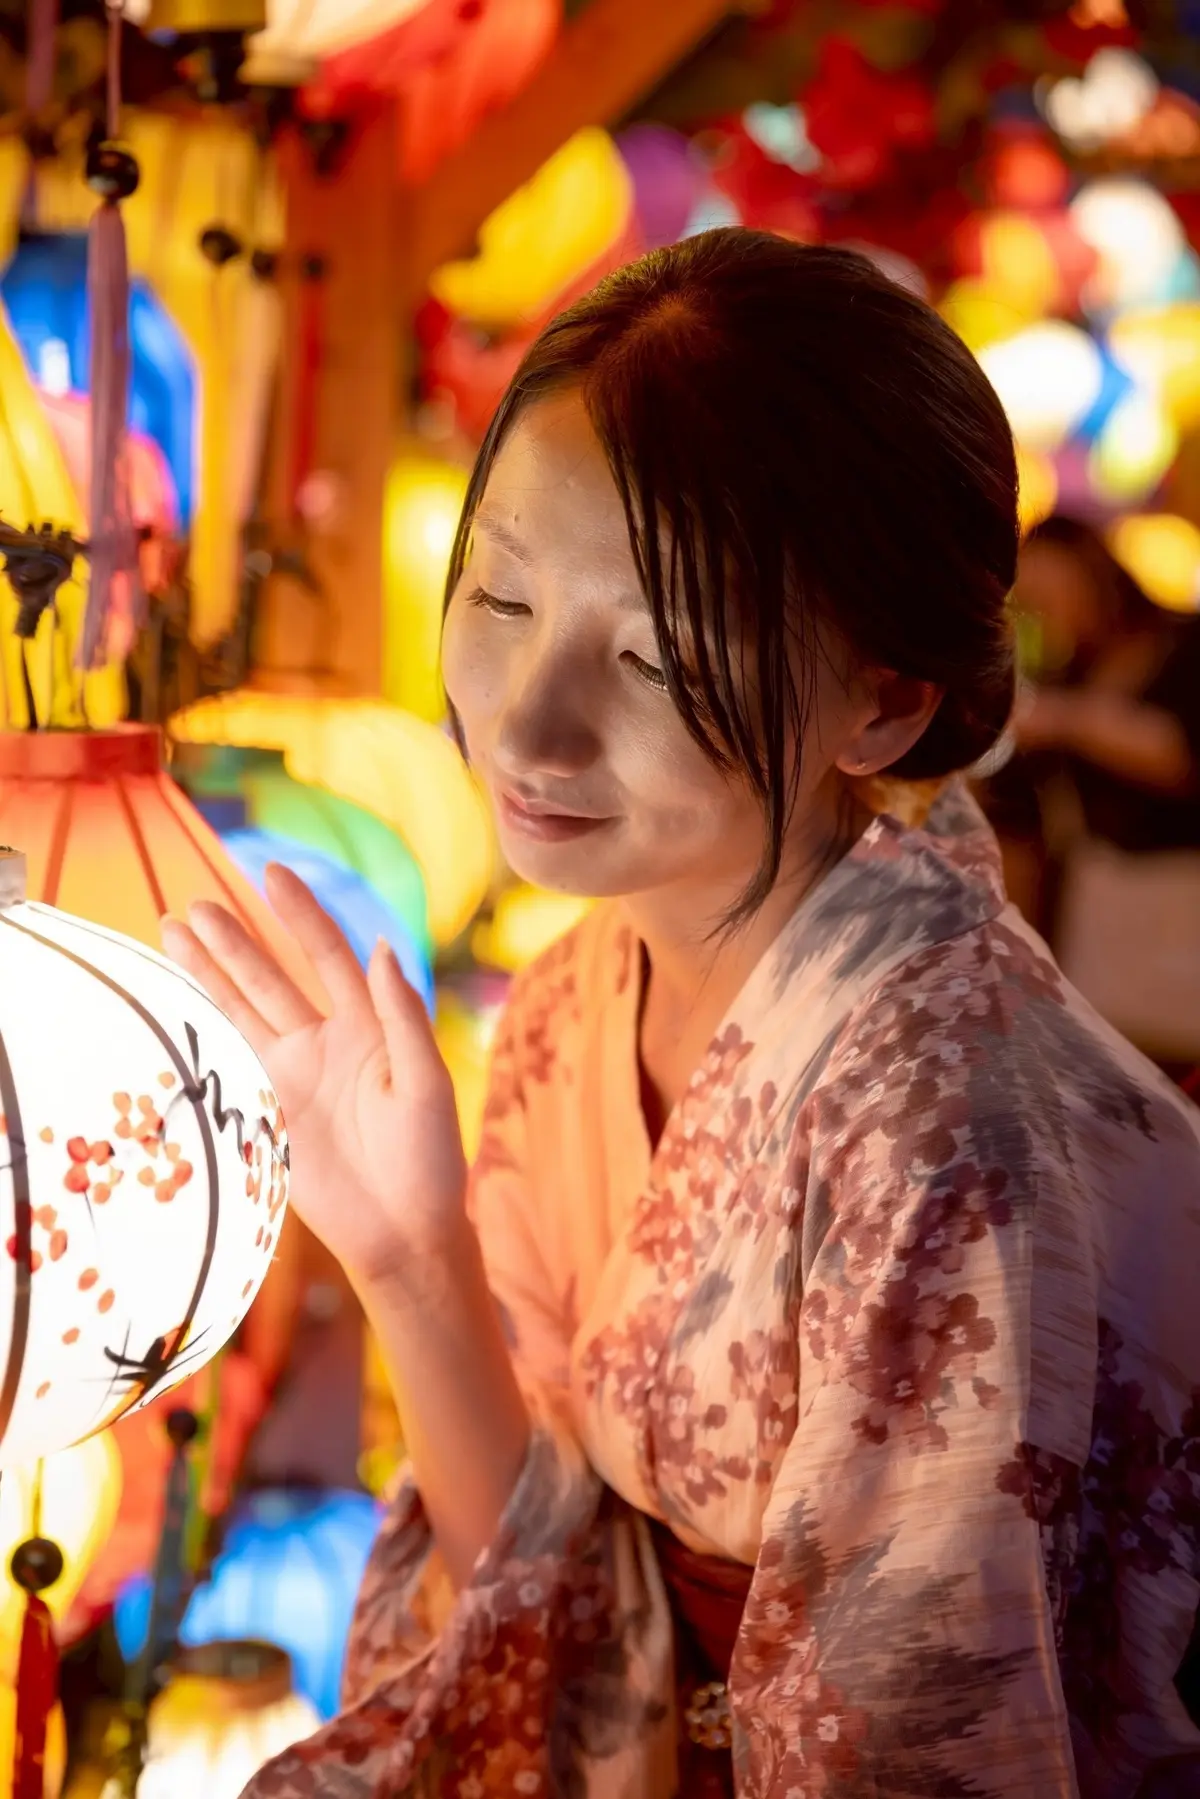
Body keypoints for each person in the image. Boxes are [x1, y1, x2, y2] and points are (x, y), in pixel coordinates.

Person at [162, 231, 1200, 1799]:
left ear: (887, 696)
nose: (523, 719)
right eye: (502, 591)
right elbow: (558, 1615)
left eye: (651, 651)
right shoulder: (586, 983)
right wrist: (405, 1252)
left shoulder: (950, 1134)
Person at [986, 513, 1200, 938]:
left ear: (1092, 575)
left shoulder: (1183, 644)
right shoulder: (1070, 673)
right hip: (1103, 909)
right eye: (1032, 601)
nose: (1042, 614)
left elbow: (1178, 754)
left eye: (1050, 594)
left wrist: (1064, 719)